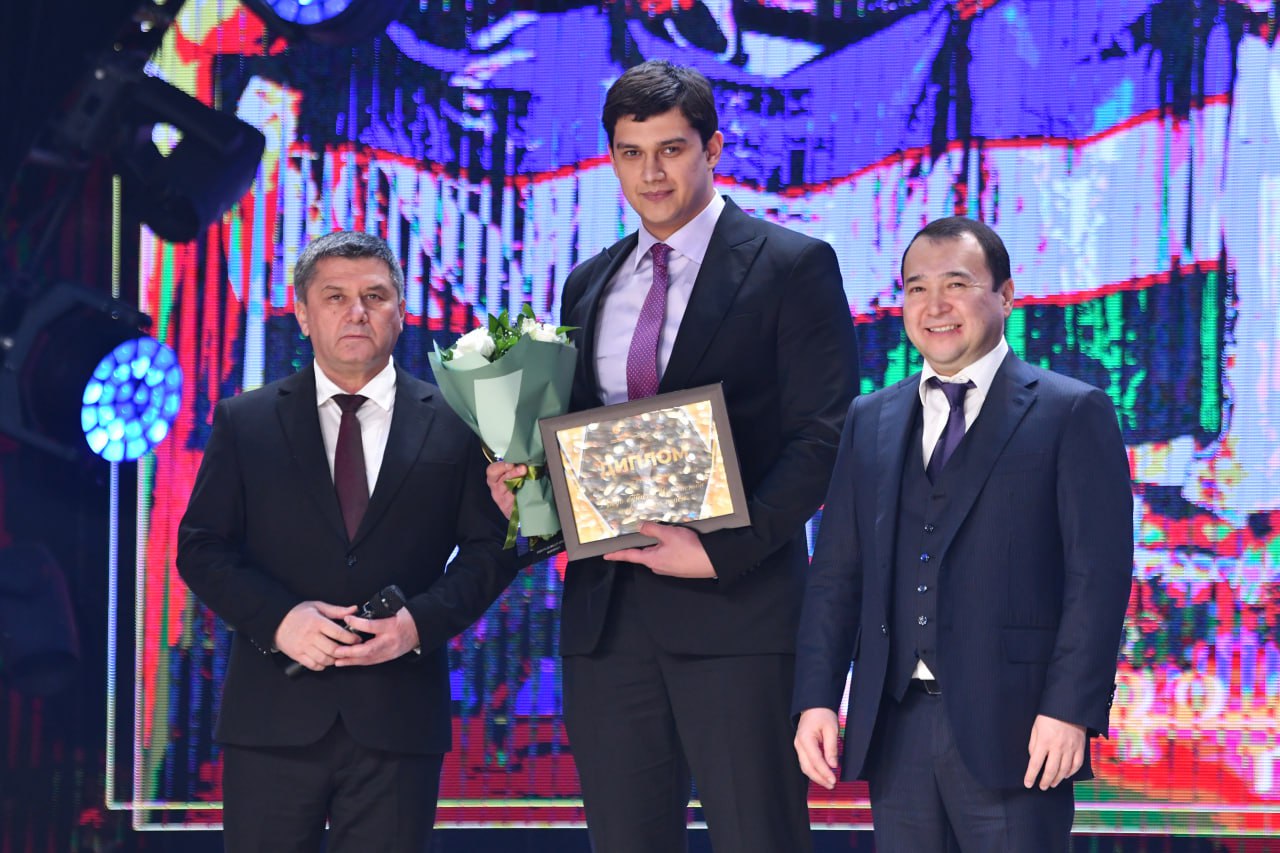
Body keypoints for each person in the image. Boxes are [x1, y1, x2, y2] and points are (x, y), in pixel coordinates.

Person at [487, 60, 859, 852]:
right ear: (612, 159)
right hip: (607, 623)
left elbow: (824, 436)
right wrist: (532, 492)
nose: (651, 173)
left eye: (671, 149)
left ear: (712, 149)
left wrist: (721, 549)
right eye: (631, 153)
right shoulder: (587, 283)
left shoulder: (792, 265)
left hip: (739, 617)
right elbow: (588, 442)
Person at [792, 216, 1134, 851]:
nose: (935, 306)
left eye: (957, 284)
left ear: (1006, 295)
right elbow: (837, 575)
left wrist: (1070, 709)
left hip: (1019, 730)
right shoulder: (871, 418)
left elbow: (1098, 579)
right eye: (916, 289)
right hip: (895, 729)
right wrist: (816, 699)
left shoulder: (1070, 410)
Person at [177, 230, 517, 852]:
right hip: (272, 718)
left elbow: (491, 549)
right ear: (303, 314)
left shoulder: (457, 424)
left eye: (374, 296)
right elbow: (201, 548)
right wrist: (280, 620)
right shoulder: (245, 421)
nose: (356, 312)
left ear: (401, 311)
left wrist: (417, 625)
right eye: (334, 297)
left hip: (399, 720)